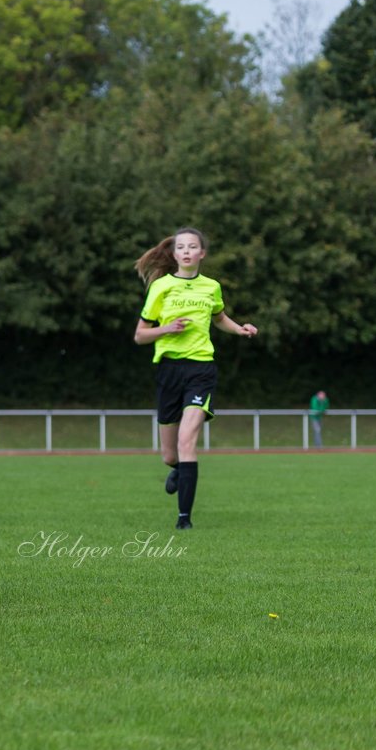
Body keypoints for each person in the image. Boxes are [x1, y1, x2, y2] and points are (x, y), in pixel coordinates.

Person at [134, 227, 257, 530]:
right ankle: (178, 469)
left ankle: (184, 519)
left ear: (202, 253)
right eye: (181, 247)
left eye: (192, 247)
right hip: (169, 370)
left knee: (188, 440)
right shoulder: (161, 287)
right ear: (174, 254)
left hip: (201, 369)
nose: (187, 251)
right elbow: (140, 335)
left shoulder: (211, 287)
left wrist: (239, 328)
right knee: (169, 454)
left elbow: (218, 318)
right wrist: (166, 328)